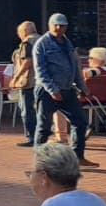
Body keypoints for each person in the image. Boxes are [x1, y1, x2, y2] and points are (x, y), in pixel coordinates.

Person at [32, 13, 87, 158]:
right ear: (49, 26)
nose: (58, 27)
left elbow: (73, 66)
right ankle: (40, 159)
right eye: (55, 25)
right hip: (47, 91)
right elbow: (40, 71)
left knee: (80, 121)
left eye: (62, 25)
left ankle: (77, 156)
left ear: (66, 27)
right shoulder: (42, 44)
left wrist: (81, 85)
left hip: (67, 89)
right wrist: (52, 90)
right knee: (44, 126)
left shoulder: (67, 43)